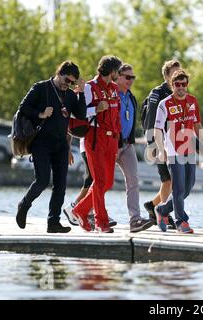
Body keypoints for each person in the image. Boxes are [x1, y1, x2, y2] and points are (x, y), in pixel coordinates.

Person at [16, 61, 86, 233]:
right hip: (41, 143)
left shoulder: (70, 95)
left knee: (60, 185)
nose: (67, 84)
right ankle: (24, 205)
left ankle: (53, 222)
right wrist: (40, 114)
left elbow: (81, 114)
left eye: (71, 82)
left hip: (61, 144)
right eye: (66, 80)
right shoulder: (41, 88)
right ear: (58, 73)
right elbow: (23, 108)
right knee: (42, 181)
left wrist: (82, 93)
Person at [71, 55, 122, 233]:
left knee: (107, 183)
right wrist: (95, 109)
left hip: (111, 140)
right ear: (112, 71)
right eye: (119, 71)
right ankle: (101, 222)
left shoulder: (115, 89)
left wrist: (118, 137)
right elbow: (77, 114)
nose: (119, 74)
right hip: (94, 137)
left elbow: (117, 115)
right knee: (99, 181)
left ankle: (80, 210)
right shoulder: (89, 88)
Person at [153, 69, 203, 234]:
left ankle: (162, 210)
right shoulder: (165, 104)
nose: (181, 87)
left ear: (187, 85)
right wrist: (161, 150)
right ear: (172, 85)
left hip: (189, 149)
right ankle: (181, 222)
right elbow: (157, 129)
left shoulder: (193, 100)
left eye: (184, 84)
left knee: (188, 187)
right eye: (177, 84)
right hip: (173, 150)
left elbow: (197, 125)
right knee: (178, 188)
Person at [113, 63, 154, 232]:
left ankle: (135, 220)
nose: (131, 80)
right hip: (110, 144)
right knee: (101, 182)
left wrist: (129, 140)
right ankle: (88, 212)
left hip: (127, 144)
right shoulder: (111, 93)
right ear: (118, 76)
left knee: (133, 180)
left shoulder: (130, 96)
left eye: (133, 77)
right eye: (127, 77)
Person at [142, 60, 181, 229]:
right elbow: (151, 122)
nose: (177, 76)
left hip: (175, 143)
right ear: (165, 76)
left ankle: (153, 205)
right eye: (173, 73)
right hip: (159, 143)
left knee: (171, 181)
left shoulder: (179, 93)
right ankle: (163, 213)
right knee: (168, 180)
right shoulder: (157, 94)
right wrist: (156, 146)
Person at [62, 135, 117, 229]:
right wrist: (68, 148)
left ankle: (78, 208)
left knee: (94, 181)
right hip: (89, 144)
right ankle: (83, 210)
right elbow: (71, 127)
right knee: (95, 181)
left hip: (99, 143)